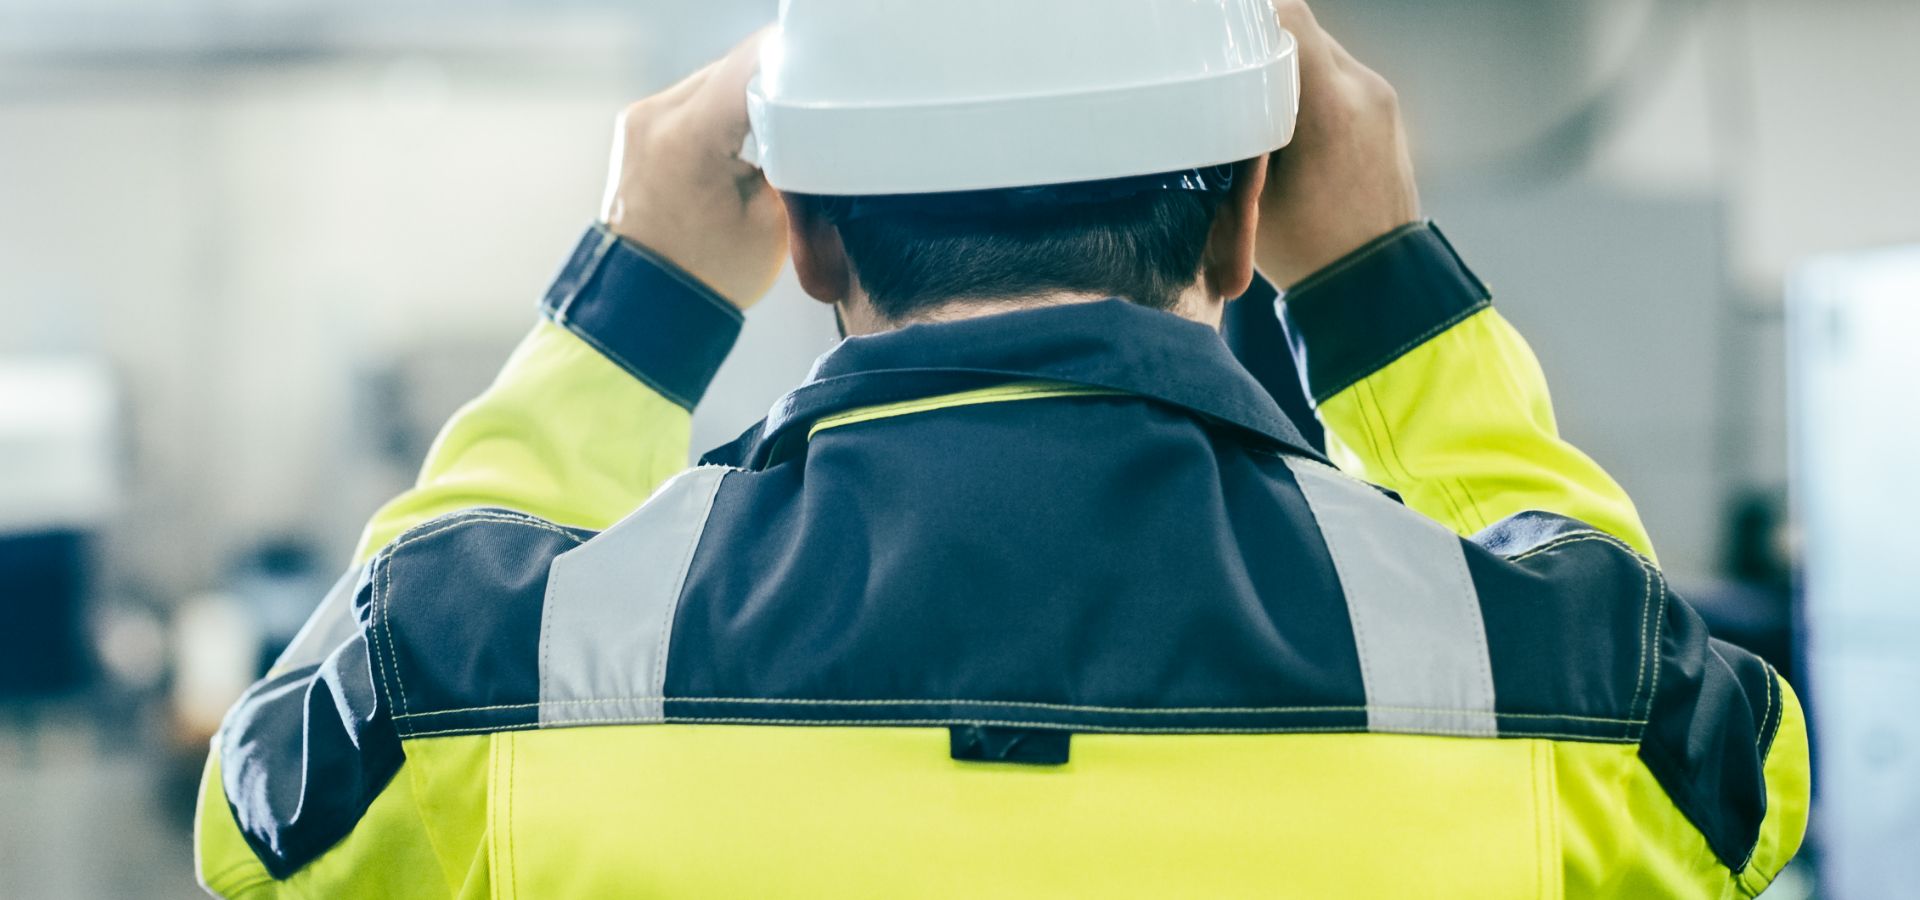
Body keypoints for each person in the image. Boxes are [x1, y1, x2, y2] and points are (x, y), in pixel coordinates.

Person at [194, 3, 1807, 896]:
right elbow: (1726, 788)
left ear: (809, 239)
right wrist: (1390, 285)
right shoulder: (1520, 693)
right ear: (1249, 214)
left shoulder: (524, 682)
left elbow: (275, 823)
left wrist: (632, 304)